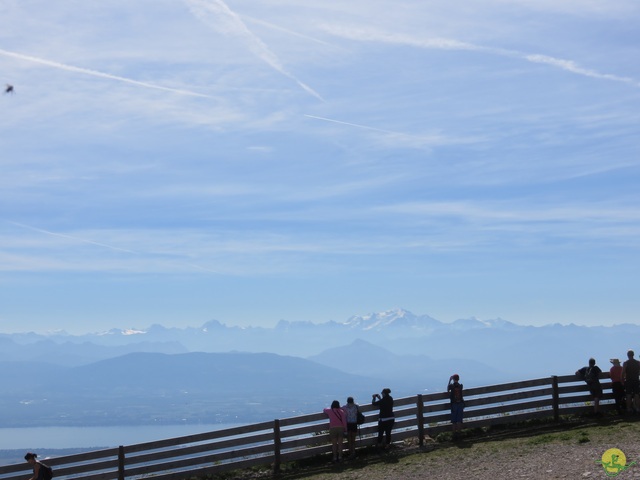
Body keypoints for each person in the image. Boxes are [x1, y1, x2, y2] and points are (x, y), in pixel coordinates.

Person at [447, 374, 465, 438]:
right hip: (460, 403)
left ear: (453, 379)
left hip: (454, 404)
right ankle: (459, 434)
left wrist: (449, 380)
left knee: (454, 421)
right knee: (459, 420)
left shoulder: (452, 386)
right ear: (458, 379)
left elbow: (447, 389)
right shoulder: (460, 386)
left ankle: (454, 435)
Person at [623, 349, 640, 414]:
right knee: (636, 395)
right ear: (633, 355)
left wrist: (622, 380)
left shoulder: (626, 363)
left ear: (628, 355)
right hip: (636, 380)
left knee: (628, 395)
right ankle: (638, 408)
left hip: (628, 380)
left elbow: (623, 373)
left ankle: (629, 409)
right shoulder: (638, 362)